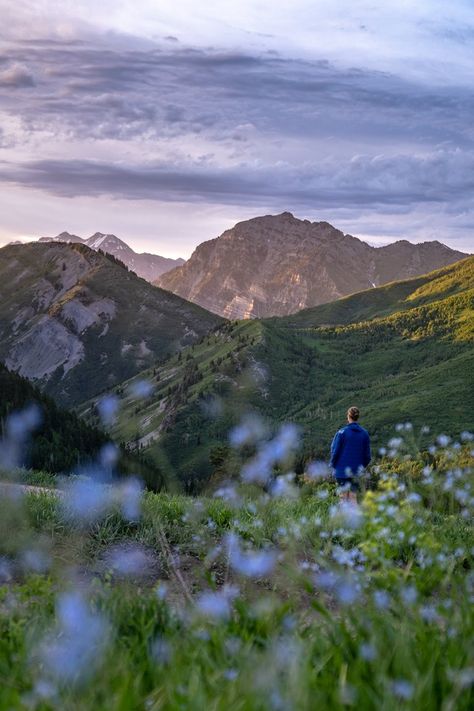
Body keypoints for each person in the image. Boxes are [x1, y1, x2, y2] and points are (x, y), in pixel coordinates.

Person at [330, 406, 371, 502]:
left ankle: (343, 517)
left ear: (348, 417)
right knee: (353, 498)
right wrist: (361, 467)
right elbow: (367, 456)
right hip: (356, 471)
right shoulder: (365, 434)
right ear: (357, 417)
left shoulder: (341, 433)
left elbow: (335, 451)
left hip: (341, 471)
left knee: (343, 498)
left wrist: (332, 465)